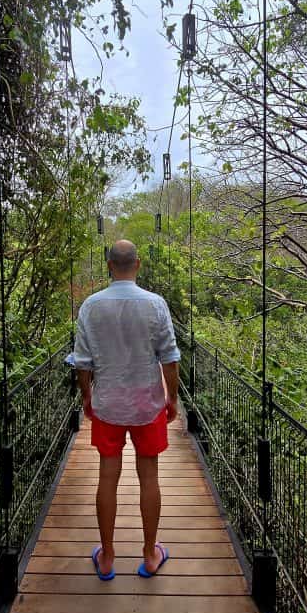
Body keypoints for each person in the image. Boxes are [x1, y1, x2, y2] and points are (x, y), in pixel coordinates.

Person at [70, 239, 180, 580]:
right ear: (138, 264)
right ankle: (149, 554)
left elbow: (83, 363)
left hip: (108, 405)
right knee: (150, 479)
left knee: (107, 479)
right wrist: (171, 399)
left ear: (108, 265)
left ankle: (107, 556)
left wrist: (88, 397)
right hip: (148, 404)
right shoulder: (156, 304)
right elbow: (170, 357)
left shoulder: (90, 306)